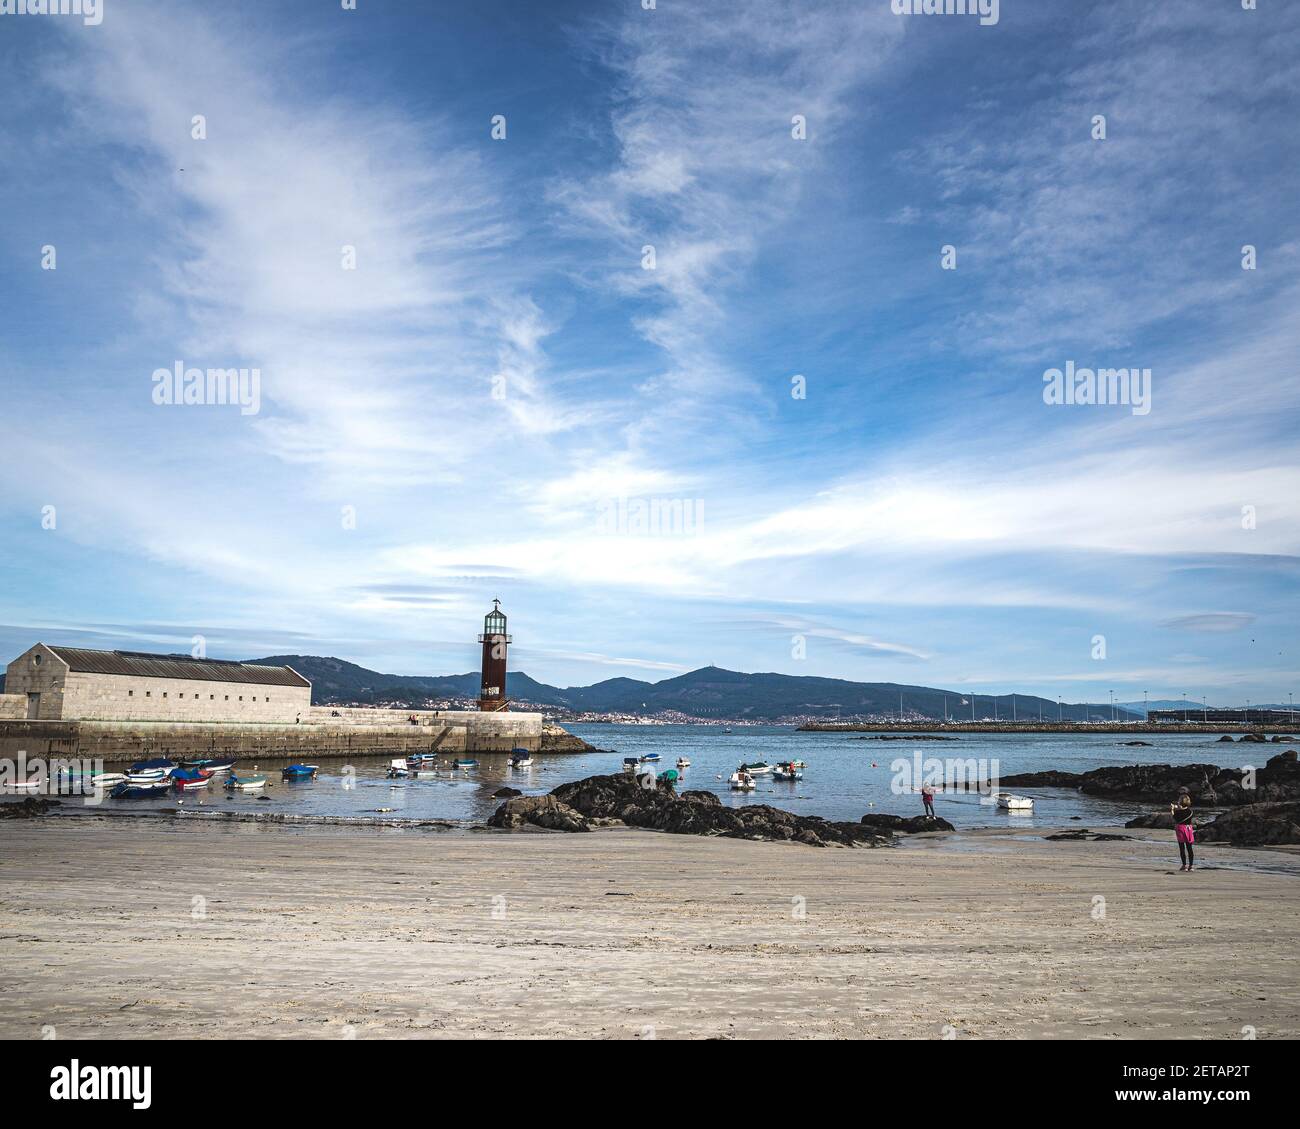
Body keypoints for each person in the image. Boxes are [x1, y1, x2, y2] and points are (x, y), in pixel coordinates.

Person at [1171, 788, 1195, 871]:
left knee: (1182, 848)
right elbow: (1184, 811)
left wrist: (1172, 809)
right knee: (1189, 848)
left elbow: (1175, 818)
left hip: (1181, 829)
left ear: (1181, 802)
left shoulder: (1178, 812)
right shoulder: (1190, 812)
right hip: (1189, 829)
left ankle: (1184, 865)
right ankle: (1191, 866)